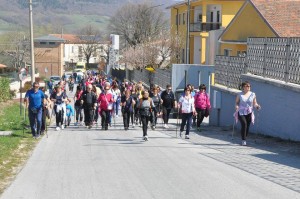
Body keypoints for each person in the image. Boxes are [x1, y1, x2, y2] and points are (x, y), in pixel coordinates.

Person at [235, 81, 260, 146]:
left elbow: (254, 103)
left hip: (249, 112)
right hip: (241, 111)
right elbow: (237, 102)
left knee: (247, 126)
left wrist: (257, 106)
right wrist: (237, 106)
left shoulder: (253, 94)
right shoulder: (239, 94)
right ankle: (243, 140)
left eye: (249, 86)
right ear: (243, 87)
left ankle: (244, 137)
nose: (249, 87)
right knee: (244, 123)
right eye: (247, 86)